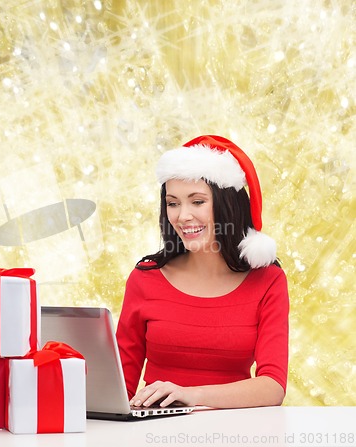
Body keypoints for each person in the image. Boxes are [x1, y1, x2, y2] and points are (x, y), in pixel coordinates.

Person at [116, 135, 289, 409]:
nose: (182, 216)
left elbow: (272, 386)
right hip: (154, 433)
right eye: (173, 203)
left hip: (233, 434)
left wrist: (190, 396)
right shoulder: (145, 278)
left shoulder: (268, 281)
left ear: (228, 205)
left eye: (197, 202)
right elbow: (119, 387)